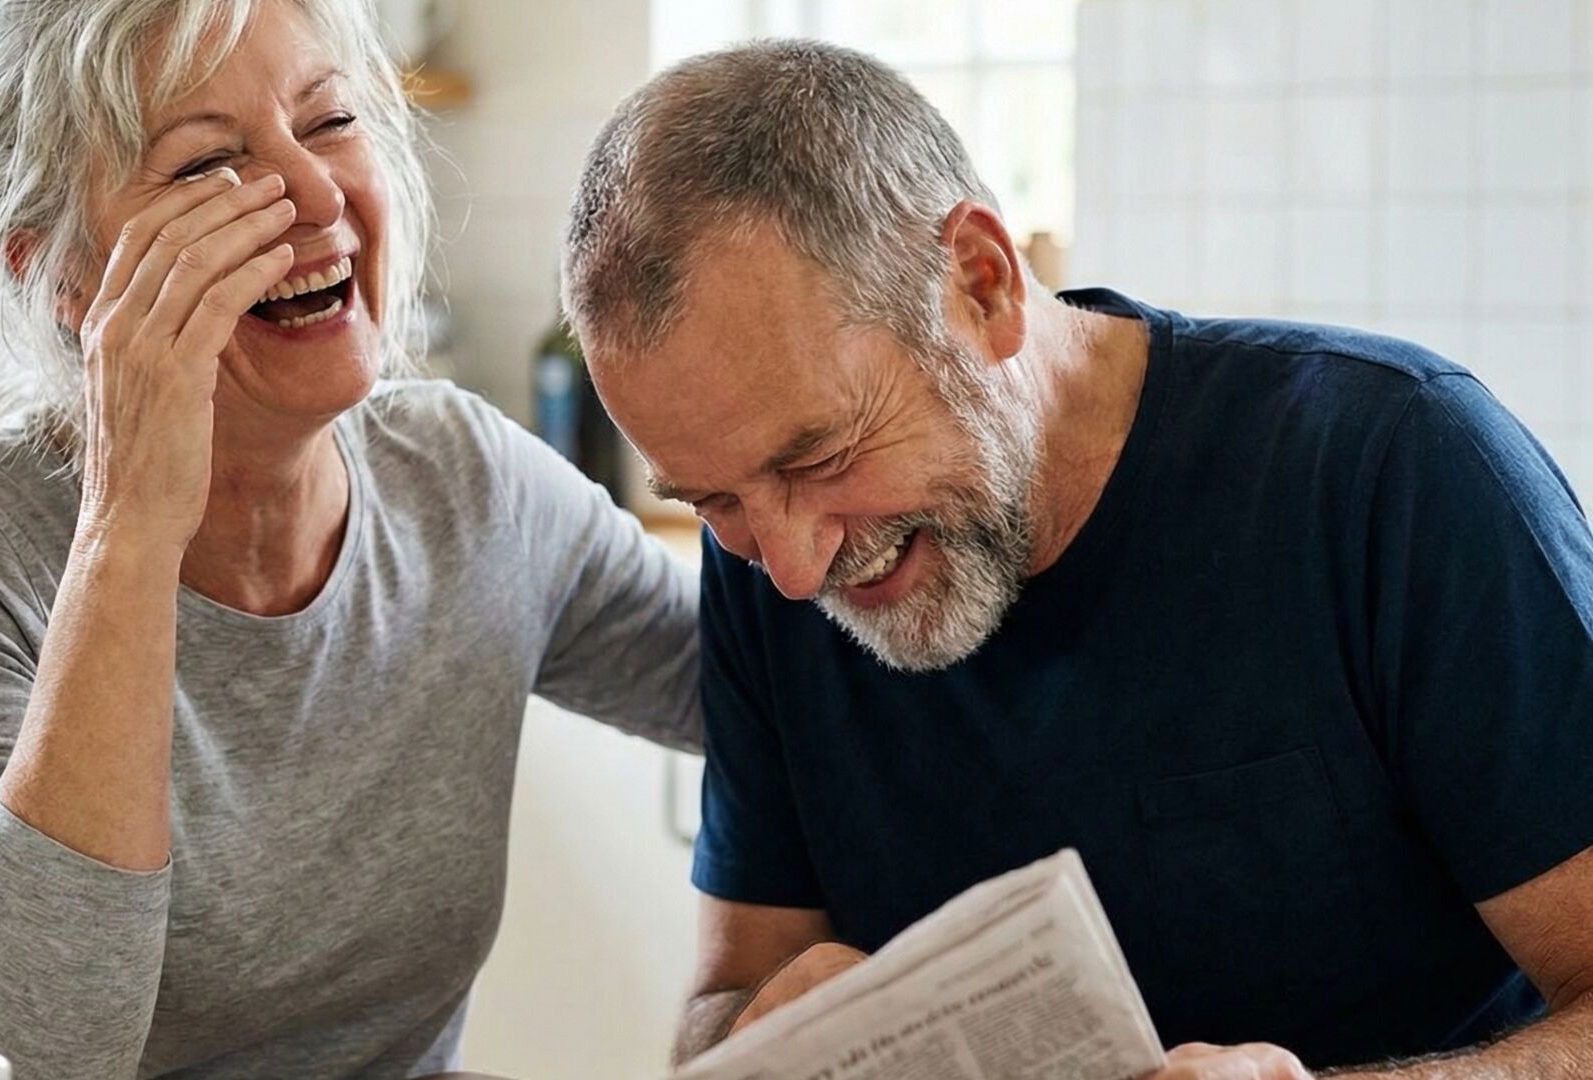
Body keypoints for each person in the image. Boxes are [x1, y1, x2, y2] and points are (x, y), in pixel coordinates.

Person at [561, 40, 1593, 1080]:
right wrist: (752, 1032)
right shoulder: (769, 559)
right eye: (712, 500)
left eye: (820, 456)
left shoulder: (1396, 469)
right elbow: (724, 997)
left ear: (982, 285)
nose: (791, 568)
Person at [0, 1, 698, 1077]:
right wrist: (130, 528)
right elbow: (3, 1061)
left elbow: (772, 684)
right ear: (60, 276)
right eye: (207, 168)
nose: (316, 195)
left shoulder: (465, 481)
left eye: (328, 121)